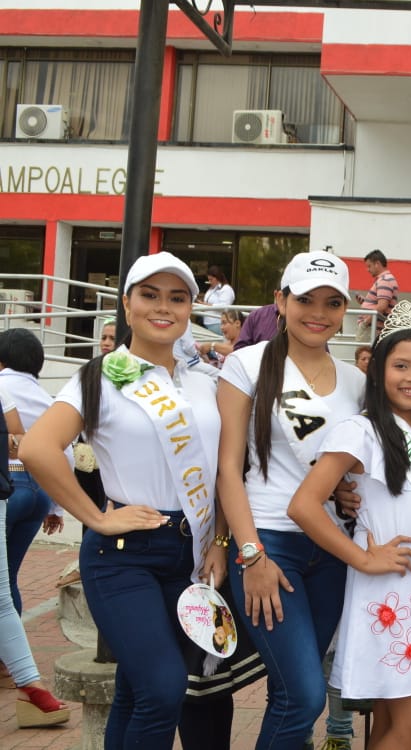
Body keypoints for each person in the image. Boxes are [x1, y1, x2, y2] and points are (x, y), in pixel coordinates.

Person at [21, 252, 227, 746]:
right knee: (163, 688)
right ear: (127, 304)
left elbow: (225, 470)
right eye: (150, 295)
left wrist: (219, 540)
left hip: (191, 554)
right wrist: (96, 517)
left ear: (190, 309)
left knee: (138, 693)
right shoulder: (99, 376)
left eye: (177, 298)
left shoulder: (207, 381)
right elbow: (36, 448)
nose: (164, 308)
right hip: (123, 557)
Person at [289, 301, 411, 750]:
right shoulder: (361, 430)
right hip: (388, 594)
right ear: (378, 370)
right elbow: (304, 505)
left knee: (388, 722)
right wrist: (363, 559)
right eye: (401, 365)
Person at [217, 250, 365, 749]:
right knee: (303, 695)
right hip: (269, 545)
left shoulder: (358, 382)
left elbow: (350, 469)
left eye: (332, 302)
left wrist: (347, 492)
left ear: (346, 309)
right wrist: (249, 552)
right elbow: (227, 468)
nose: (318, 313)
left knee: (292, 692)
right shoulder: (247, 364)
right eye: (305, 299)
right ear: (281, 301)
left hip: (331, 551)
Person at [0, 329, 66, 613]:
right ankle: (13, 656)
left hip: (8, 485)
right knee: (8, 578)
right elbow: (67, 453)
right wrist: (56, 507)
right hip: (37, 490)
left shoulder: (2, 387)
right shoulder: (47, 400)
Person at [356, 249, 399, 337]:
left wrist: (365, 323)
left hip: (372, 330)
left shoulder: (385, 280)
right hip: (372, 329)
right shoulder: (385, 280)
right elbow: (380, 304)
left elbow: (382, 307)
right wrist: (366, 302)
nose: (367, 270)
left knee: (364, 350)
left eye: (369, 266)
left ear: (377, 264)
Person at [201, 266, 236, 335]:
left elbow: (224, 306)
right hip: (208, 322)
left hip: (217, 323)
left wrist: (208, 305)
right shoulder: (212, 289)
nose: (210, 282)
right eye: (209, 280)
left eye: (211, 280)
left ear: (217, 278)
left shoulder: (226, 289)